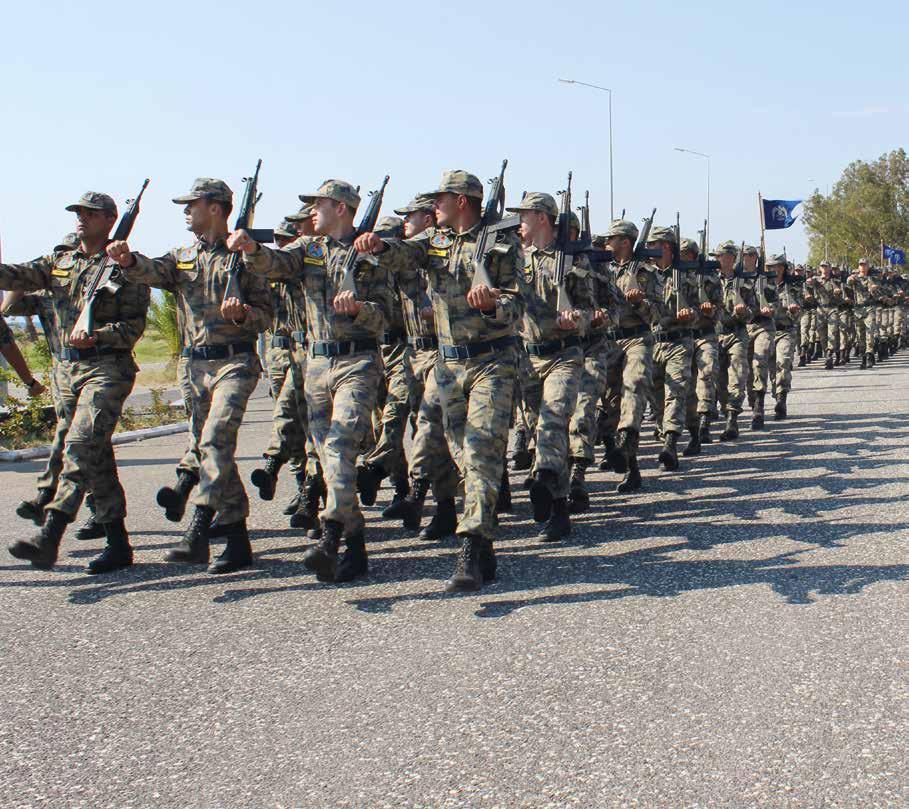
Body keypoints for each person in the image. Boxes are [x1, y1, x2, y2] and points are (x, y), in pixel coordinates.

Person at [355, 169, 524, 593]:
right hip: (448, 367)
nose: (435, 207)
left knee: (483, 450)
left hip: (492, 363)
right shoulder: (434, 242)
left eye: (441, 199)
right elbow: (402, 254)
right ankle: (482, 536)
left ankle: (471, 545)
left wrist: (492, 308)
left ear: (463, 201)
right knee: (461, 454)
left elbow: (519, 304)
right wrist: (378, 244)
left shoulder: (503, 243)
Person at [231, 179, 393, 584]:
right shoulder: (309, 250)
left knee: (339, 445)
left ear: (341, 208)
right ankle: (354, 547)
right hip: (316, 366)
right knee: (329, 459)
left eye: (317, 204)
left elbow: (388, 316)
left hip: (357, 361)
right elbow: (274, 264)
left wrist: (359, 309)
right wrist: (251, 249)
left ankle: (331, 535)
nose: (310, 212)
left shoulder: (370, 253)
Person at [107, 178, 272, 575]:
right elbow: (153, 272)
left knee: (214, 440)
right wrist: (128, 261)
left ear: (215, 208)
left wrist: (245, 314)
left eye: (192, 204)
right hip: (193, 366)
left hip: (234, 362)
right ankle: (236, 539)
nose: (185, 210)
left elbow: (269, 315)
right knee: (210, 448)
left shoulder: (247, 256)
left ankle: (198, 527)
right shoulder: (182, 256)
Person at [2, 192, 150, 573]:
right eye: (78, 213)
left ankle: (50, 533)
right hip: (66, 373)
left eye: (91, 213)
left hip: (106, 368)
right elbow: (18, 275)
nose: (81, 218)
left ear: (111, 219)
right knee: (95, 456)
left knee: (80, 445)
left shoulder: (126, 267)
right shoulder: (60, 261)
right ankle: (118, 544)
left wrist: (98, 334)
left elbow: (134, 326)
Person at [507, 192, 592, 540]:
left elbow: (592, 308)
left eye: (524, 215)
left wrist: (578, 319)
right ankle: (554, 495)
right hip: (526, 356)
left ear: (542, 218)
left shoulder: (573, 261)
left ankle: (553, 501)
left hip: (563, 355)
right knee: (539, 429)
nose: (519, 222)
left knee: (554, 420)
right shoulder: (513, 259)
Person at [647, 227, 697, 471]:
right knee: (655, 396)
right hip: (653, 341)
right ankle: (663, 431)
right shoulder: (645, 275)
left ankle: (671, 443)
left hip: (680, 341)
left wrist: (692, 313)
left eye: (653, 244)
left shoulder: (687, 277)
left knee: (675, 391)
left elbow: (707, 312)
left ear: (665, 246)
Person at [769, 254, 801, 419]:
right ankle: (775, 392)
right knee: (769, 367)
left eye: (778, 266)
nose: (774, 269)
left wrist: (794, 309)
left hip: (785, 330)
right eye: (771, 266)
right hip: (765, 331)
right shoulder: (762, 285)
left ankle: (781, 398)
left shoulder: (793, 287)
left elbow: (798, 312)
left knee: (783, 362)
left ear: (783, 268)